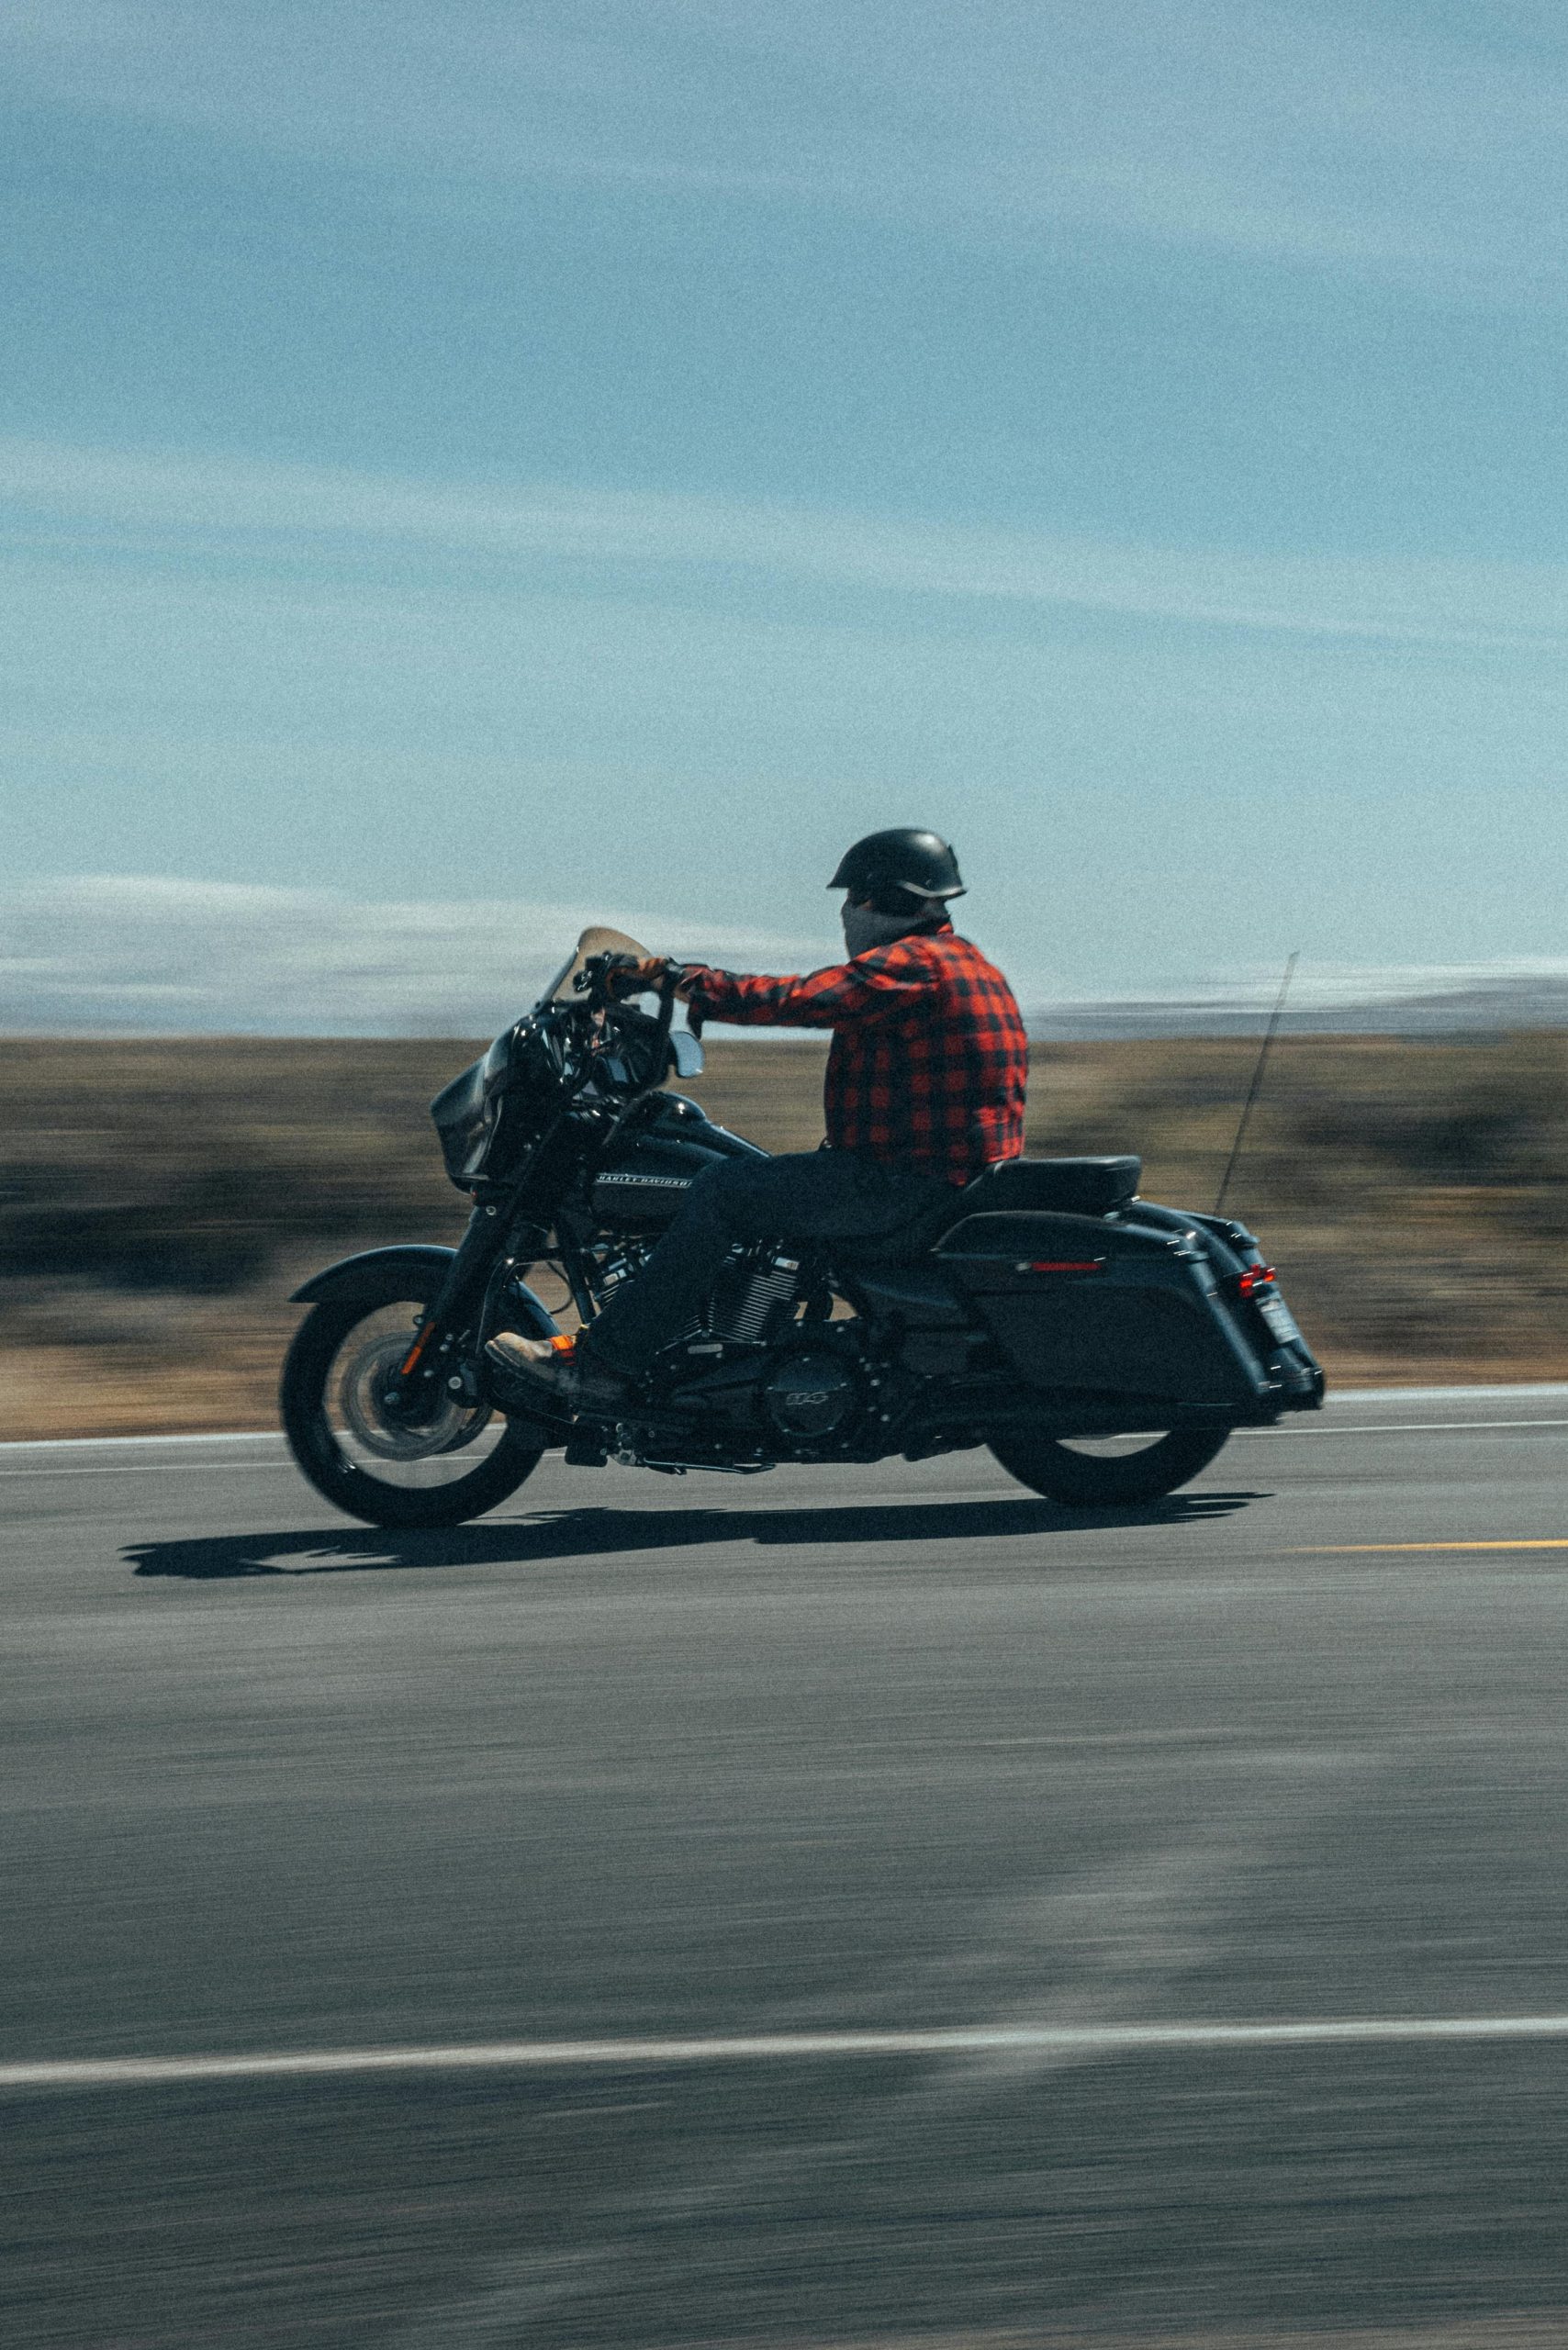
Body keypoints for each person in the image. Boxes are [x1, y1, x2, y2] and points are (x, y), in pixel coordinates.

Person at [487, 827, 1028, 1414]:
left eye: (853, 898)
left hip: (902, 1184)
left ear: (887, 899)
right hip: (938, 1177)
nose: (846, 913)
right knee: (757, 1177)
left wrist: (672, 978)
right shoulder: (967, 964)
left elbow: (799, 998)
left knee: (721, 1189)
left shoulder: (913, 966)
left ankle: (605, 1363)